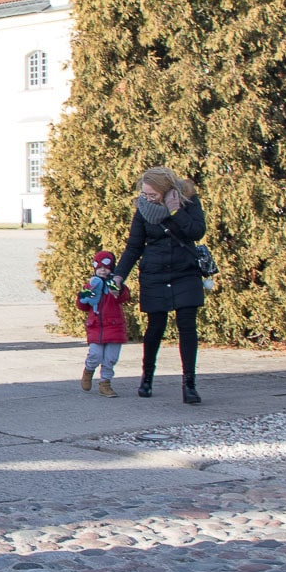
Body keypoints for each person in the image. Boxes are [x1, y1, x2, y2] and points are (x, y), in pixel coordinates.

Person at [113, 166, 208, 404]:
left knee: (187, 326)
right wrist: (119, 276)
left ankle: (189, 384)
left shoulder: (187, 201)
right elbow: (134, 246)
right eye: (145, 194)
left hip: (185, 272)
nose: (148, 198)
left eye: (152, 194)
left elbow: (197, 232)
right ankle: (147, 377)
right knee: (155, 327)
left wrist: (176, 211)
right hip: (155, 274)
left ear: (166, 190)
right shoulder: (143, 209)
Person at [78, 250, 130, 397]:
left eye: (106, 268)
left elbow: (123, 297)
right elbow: (82, 305)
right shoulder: (91, 285)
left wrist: (118, 288)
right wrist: (84, 296)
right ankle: (89, 370)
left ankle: (105, 383)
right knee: (95, 354)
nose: (102, 270)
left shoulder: (114, 285)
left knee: (111, 358)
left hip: (114, 326)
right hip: (96, 326)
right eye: (99, 267)